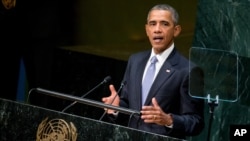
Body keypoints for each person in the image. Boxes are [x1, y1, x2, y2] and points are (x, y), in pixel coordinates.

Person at [102, 4, 204, 139]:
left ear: (176, 30)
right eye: (152, 24)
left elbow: (196, 122)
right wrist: (116, 107)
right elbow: (128, 104)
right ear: (147, 29)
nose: (157, 30)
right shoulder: (135, 61)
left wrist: (169, 120)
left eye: (165, 24)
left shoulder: (188, 70)